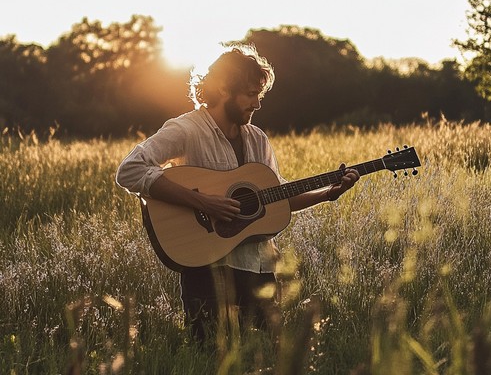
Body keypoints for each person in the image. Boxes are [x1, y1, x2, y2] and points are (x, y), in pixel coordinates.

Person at [116, 44, 359, 342]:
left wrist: (327, 193)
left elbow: (276, 196)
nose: (257, 104)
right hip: (207, 269)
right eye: (249, 94)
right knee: (211, 356)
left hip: (259, 267)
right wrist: (203, 202)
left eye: (259, 94)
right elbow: (130, 170)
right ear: (222, 88)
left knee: (268, 356)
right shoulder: (186, 130)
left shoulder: (257, 139)